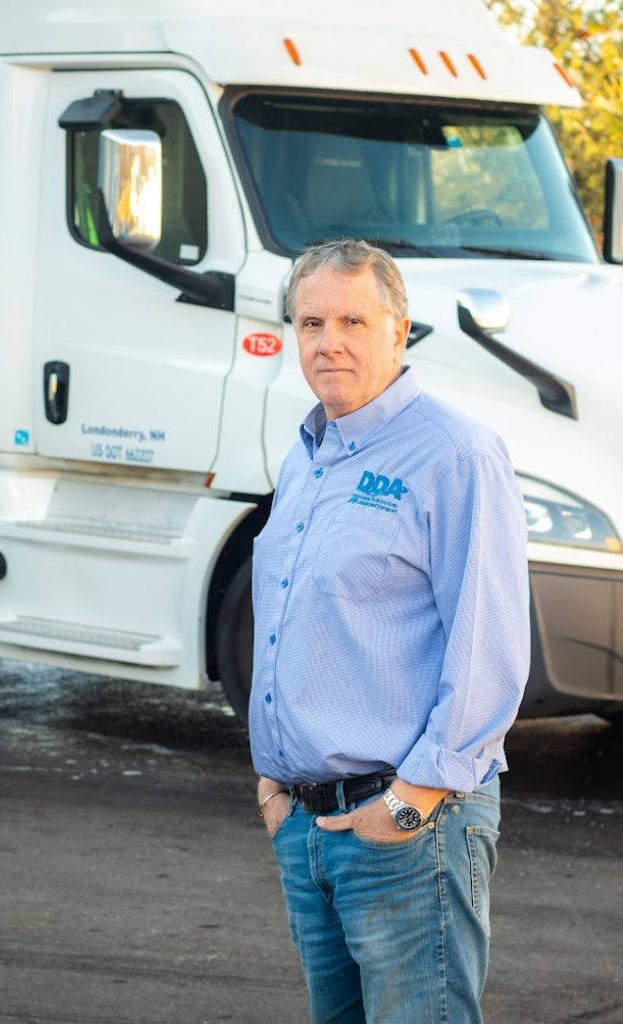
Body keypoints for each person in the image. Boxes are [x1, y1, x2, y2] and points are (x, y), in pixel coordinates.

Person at [250, 238, 530, 1024]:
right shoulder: (309, 452)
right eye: (311, 322)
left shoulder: (456, 454)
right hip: (310, 828)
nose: (328, 342)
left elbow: (490, 649)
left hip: (408, 831)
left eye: (351, 320)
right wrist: (276, 788)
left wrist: (410, 805)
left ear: (399, 329)